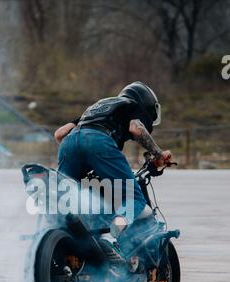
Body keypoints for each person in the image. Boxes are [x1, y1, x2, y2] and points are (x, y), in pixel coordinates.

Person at [55, 81, 172, 262]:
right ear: (147, 104)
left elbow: (60, 134)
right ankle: (112, 237)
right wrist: (158, 154)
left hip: (69, 144)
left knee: (66, 203)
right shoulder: (132, 106)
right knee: (134, 199)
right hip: (98, 141)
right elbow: (136, 128)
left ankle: (59, 242)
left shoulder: (99, 107)